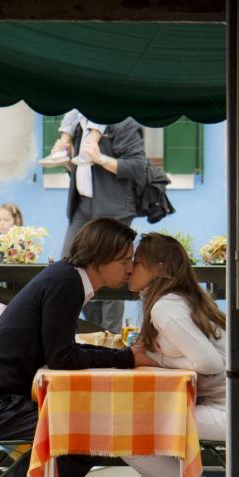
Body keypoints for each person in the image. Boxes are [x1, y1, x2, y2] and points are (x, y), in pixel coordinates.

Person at [0, 217, 155, 477]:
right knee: (87, 435)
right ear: (98, 259)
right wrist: (126, 359)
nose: (130, 269)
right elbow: (63, 358)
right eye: (124, 261)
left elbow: (62, 351)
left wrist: (122, 357)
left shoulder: (66, 278)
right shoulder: (66, 284)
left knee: (84, 429)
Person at [125, 232, 227, 477]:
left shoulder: (166, 308)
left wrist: (153, 358)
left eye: (136, 262)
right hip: (220, 404)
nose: (129, 269)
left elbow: (210, 363)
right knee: (137, 430)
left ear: (158, 268)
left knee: (130, 436)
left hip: (228, 412)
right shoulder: (177, 300)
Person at [41, 110, 149, 333]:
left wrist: (100, 158)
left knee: (113, 271)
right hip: (83, 208)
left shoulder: (125, 122)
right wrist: (69, 160)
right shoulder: (82, 124)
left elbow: (138, 166)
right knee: (72, 264)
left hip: (113, 209)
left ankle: (110, 335)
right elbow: (83, 170)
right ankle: (91, 331)